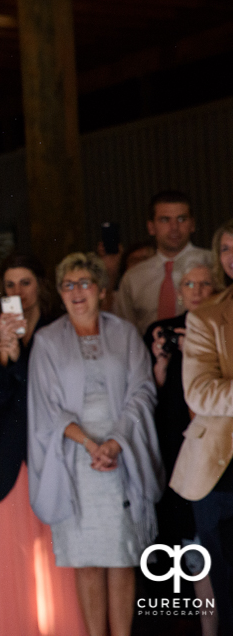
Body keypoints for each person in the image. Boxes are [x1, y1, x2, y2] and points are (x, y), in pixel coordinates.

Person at [29, 252, 162, 636]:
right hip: (74, 456)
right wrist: (90, 443)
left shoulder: (123, 333)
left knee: (121, 558)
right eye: (68, 285)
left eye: (84, 283)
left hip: (122, 450)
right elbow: (45, 406)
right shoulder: (47, 340)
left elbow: (142, 390)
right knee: (87, 560)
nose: (76, 292)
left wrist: (116, 442)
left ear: (102, 290)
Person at [0, 253, 86, 636]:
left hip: (56, 453)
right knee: (13, 557)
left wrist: (20, 359)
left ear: (41, 286)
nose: (17, 292)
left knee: (58, 553)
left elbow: (53, 393)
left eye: (25, 283)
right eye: (9, 285)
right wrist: (6, 353)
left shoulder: (62, 330)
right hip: (8, 460)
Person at [143, 256, 216, 636]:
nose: (198, 292)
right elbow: (146, 398)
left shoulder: (222, 328)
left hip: (215, 452)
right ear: (180, 290)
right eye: (190, 284)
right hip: (176, 454)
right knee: (190, 547)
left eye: (206, 285)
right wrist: (160, 364)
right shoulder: (161, 331)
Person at [172, 219, 233, 633]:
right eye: (226, 248)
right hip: (222, 471)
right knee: (228, 589)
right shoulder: (207, 317)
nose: (232, 256)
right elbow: (199, 392)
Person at [114, 191, 212, 334]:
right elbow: (124, 332)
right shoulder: (134, 277)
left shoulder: (213, 264)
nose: (174, 227)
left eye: (181, 219)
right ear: (151, 227)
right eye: (165, 220)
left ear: (192, 224)